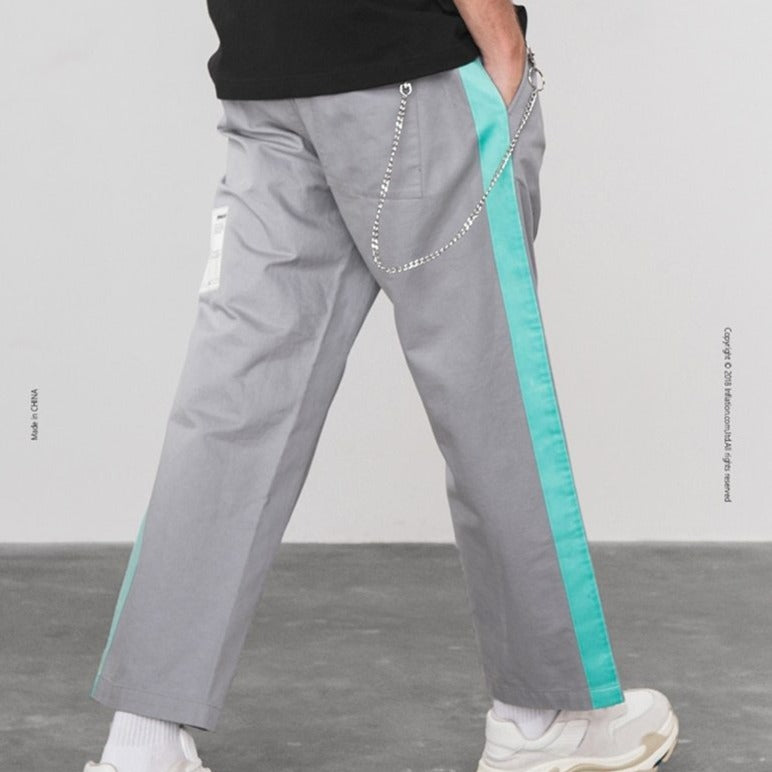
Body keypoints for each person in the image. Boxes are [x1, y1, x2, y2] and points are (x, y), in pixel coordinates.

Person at [82, 2, 680, 770]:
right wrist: (503, 41)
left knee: (232, 404)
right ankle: (540, 717)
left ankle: (143, 741)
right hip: (406, 67)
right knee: (488, 390)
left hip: (267, 73)